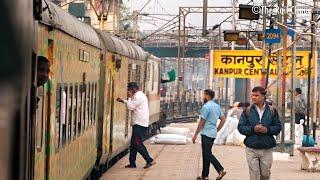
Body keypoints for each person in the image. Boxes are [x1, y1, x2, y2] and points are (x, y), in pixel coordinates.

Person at [238, 86, 282, 180]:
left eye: (256, 95)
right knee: (254, 175)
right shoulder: (247, 111)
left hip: (266, 148)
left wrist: (267, 130)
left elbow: (278, 127)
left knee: (265, 174)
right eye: (252, 95)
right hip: (251, 148)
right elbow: (241, 127)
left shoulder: (272, 110)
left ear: (263, 96)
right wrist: (253, 129)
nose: (253, 97)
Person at [116, 82, 155, 169]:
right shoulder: (138, 96)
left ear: (133, 89)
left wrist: (129, 98)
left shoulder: (138, 96)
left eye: (129, 90)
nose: (128, 92)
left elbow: (131, 106)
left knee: (137, 143)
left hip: (140, 124)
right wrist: (123, 101)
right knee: (133, 144)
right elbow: (132, 104)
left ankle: (149, 160)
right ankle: (132, 163)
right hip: (139, 123)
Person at [192, 89, 227, 180]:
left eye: (204, 95)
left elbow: (202, 122)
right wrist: (217, 129)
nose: (203, 97)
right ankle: (205, 176)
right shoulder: (217, 106)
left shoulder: (206, 107)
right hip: (213, 133)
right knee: (205, 154)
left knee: (207, 154)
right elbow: (223, 119)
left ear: (207, 96)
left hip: (206, 133)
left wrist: (195, 134)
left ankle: (220, 169)